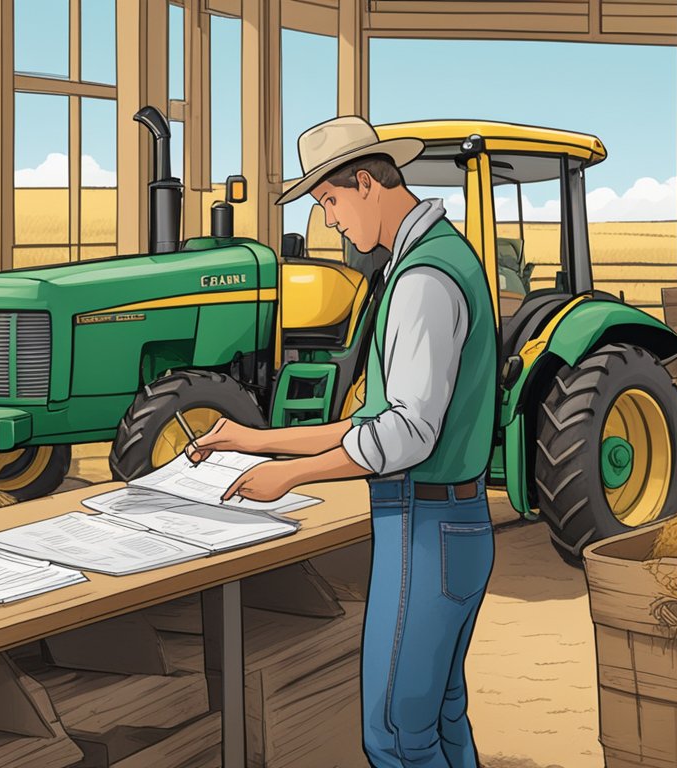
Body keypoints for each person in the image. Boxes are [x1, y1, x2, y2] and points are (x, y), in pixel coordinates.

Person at [185, 115, 499, 767]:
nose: (328, 220)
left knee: (395, 735)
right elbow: (376, 422)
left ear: (366, 183)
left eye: (328, 200)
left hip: (424, 522)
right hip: (454, 523)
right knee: (441, 721)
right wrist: (261, 439)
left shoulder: (420, 281)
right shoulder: (439, 257)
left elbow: (405, 434)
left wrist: (290, 477)